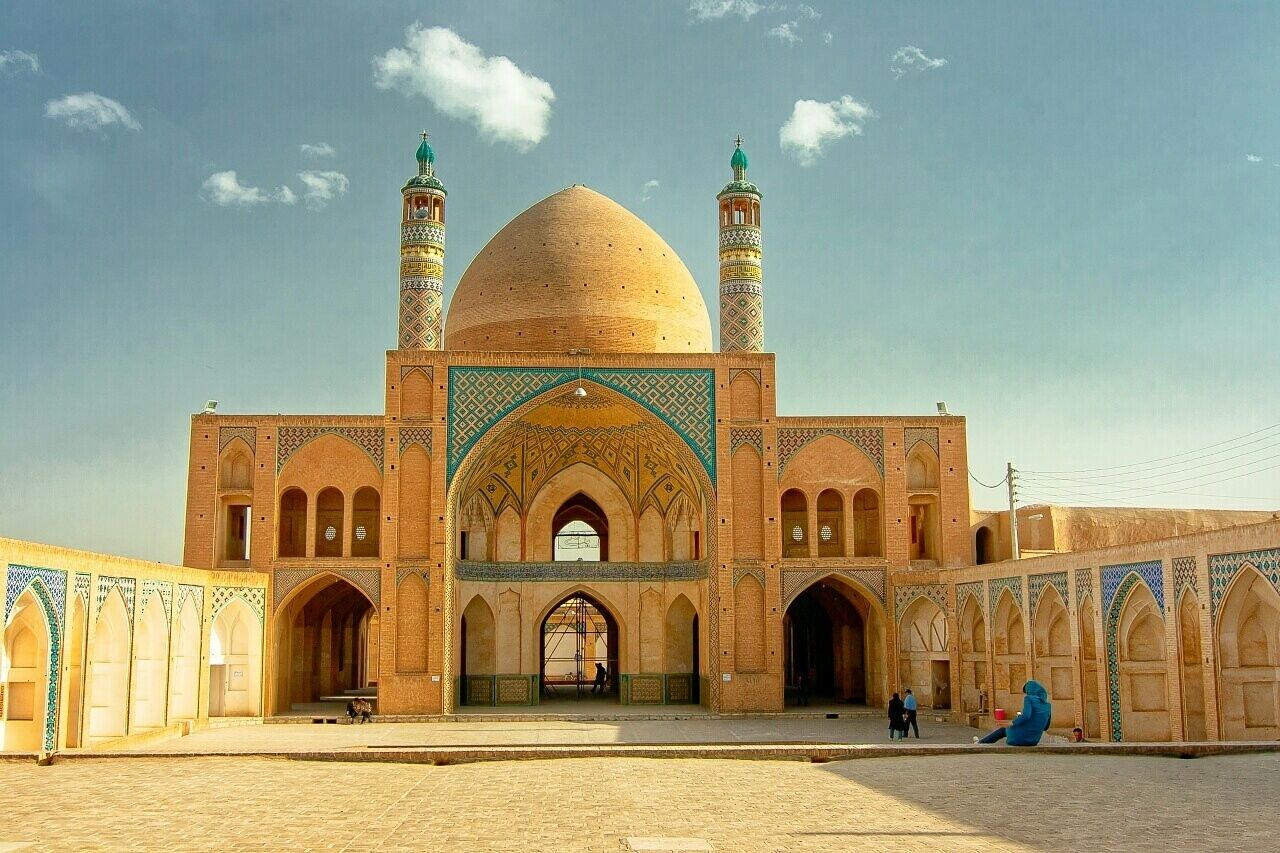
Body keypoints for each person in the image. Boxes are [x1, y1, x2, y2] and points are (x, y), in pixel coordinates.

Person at [973, 680, 1052, 745]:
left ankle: (980, 743)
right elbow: (1046, 727)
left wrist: (1012, 723)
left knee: (1003, 729)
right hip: (1034, 741)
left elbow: (1026, 716)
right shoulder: (1048, 705)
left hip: (1021, 739)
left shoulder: (1029, 699)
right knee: (1009, 728)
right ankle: (981, 742)